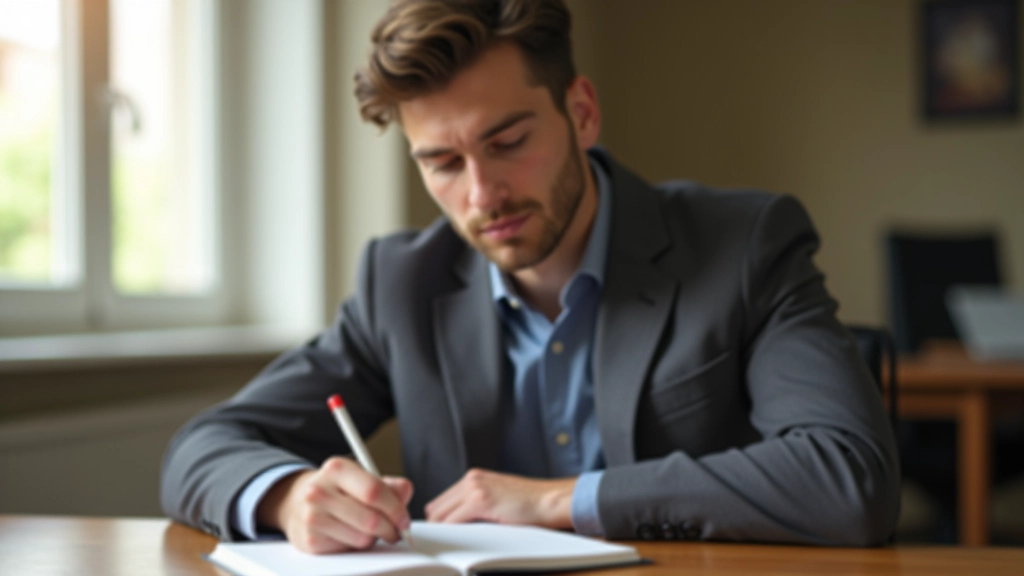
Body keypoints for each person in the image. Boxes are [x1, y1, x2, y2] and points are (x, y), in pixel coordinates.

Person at [160, 0, 900, 553]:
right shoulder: (400, 284)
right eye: (442, 164)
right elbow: (203, 446)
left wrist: (562, 502)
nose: (482, 195)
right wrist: (290, 498)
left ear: (580, 113)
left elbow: (849, 478)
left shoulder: (743, 245)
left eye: (507, 142)